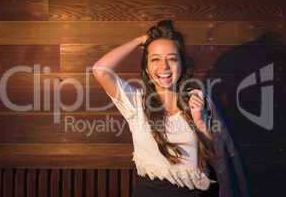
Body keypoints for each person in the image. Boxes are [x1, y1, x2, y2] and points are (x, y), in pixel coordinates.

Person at [92, 20, 251, 197]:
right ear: (146, 67)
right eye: (155, 59)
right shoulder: (135, 103)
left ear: (182, 64)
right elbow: (100, 70)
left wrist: (199, 122)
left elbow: (219, 158)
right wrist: (140, 40)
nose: (164, 67)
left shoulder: (197, 99)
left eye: (172, 59)